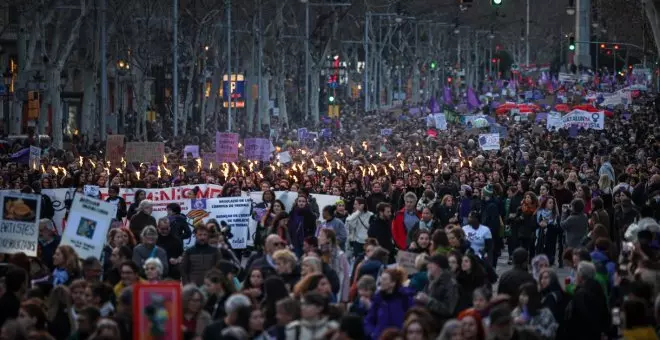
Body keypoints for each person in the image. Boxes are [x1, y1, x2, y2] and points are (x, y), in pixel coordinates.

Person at [559, 261, 610, 340]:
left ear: (580, 276)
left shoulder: (581, 294)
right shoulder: (597, 289)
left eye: (577, 274)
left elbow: (577, 319)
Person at [364, 268, 413, 339]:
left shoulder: (405, 298)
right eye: (381, 278)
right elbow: (369, 320)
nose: (381, 281)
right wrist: (373, 333)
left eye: (384, 279)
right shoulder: (378, 299)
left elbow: (411, 319)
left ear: (393, 283)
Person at [416, 254, 459, 326]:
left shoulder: (450, 284)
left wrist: (428, 301)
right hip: (430, 323)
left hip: (441, 325)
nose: (428, 266)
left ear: (438, 266)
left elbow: (449, 309)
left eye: (430, 264)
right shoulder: (431, 281)